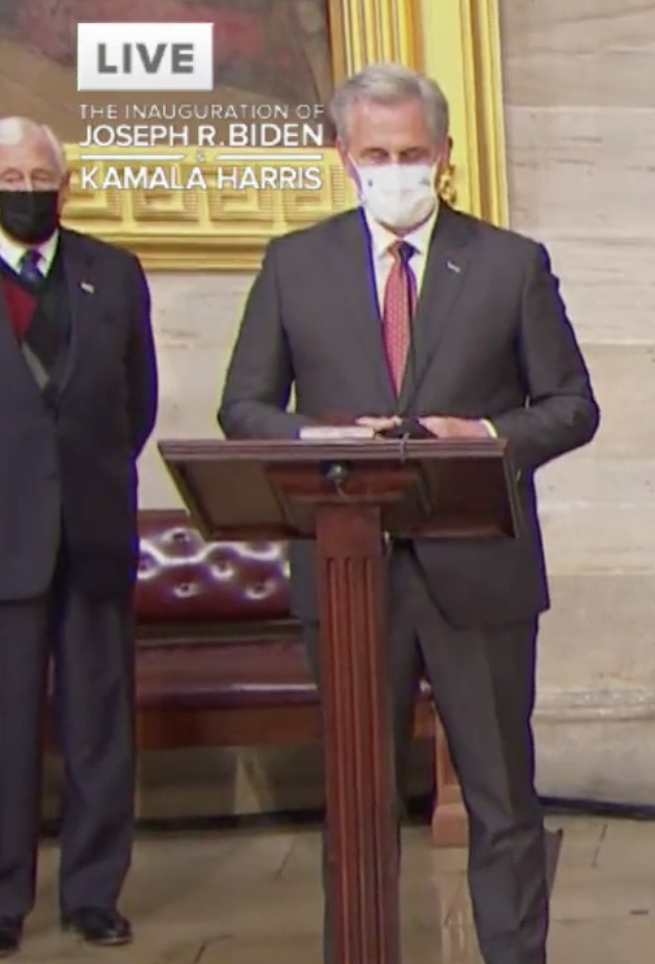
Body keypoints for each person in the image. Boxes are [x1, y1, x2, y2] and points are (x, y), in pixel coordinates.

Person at [217, 64, 599, 964]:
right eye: (377, 153)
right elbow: (243, 408)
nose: (396, 169)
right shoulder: (293, 264)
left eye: (413, 153)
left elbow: (572, 405)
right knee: (358, 799)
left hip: (480, 572)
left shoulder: (510, 264)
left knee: (502, 796)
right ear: (345, 157)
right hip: (350, 573)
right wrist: (322, 434)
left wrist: (488, 432)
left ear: (445, 155)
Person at [0, 116, 158, 958]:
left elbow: (136, 402)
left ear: (65, 182)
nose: (26, 191)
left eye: (39, 177)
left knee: (97, 726)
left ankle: (94, 894)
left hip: (91, 535)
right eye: (9, 178)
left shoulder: (112, 274)